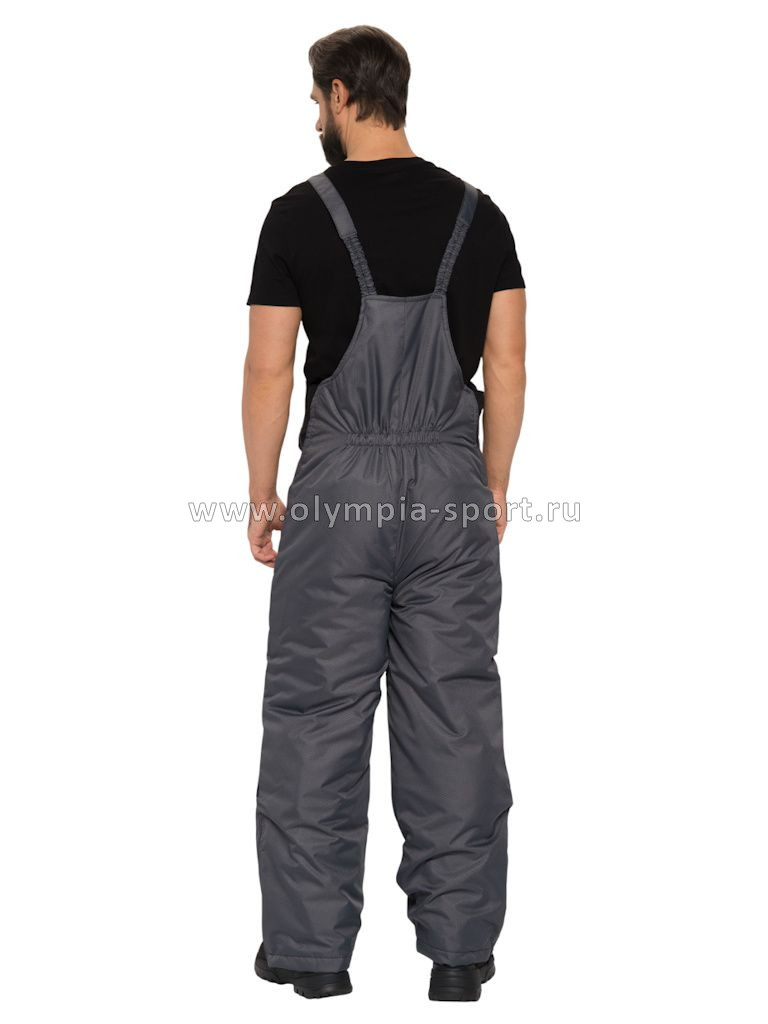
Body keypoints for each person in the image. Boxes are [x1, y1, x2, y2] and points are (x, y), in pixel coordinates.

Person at [242, 25, 527, 1002]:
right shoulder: (481, 217)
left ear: (339, 94)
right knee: (454, 714)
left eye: (313, 99)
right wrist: (491, 486)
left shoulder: (296, 216)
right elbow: (509, 364)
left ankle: (311, 955)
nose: (312, 116)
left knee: (316, 714)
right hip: (451, 486)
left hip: (339, 493)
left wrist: (262, 492)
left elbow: (269, 370)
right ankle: (459, 954)